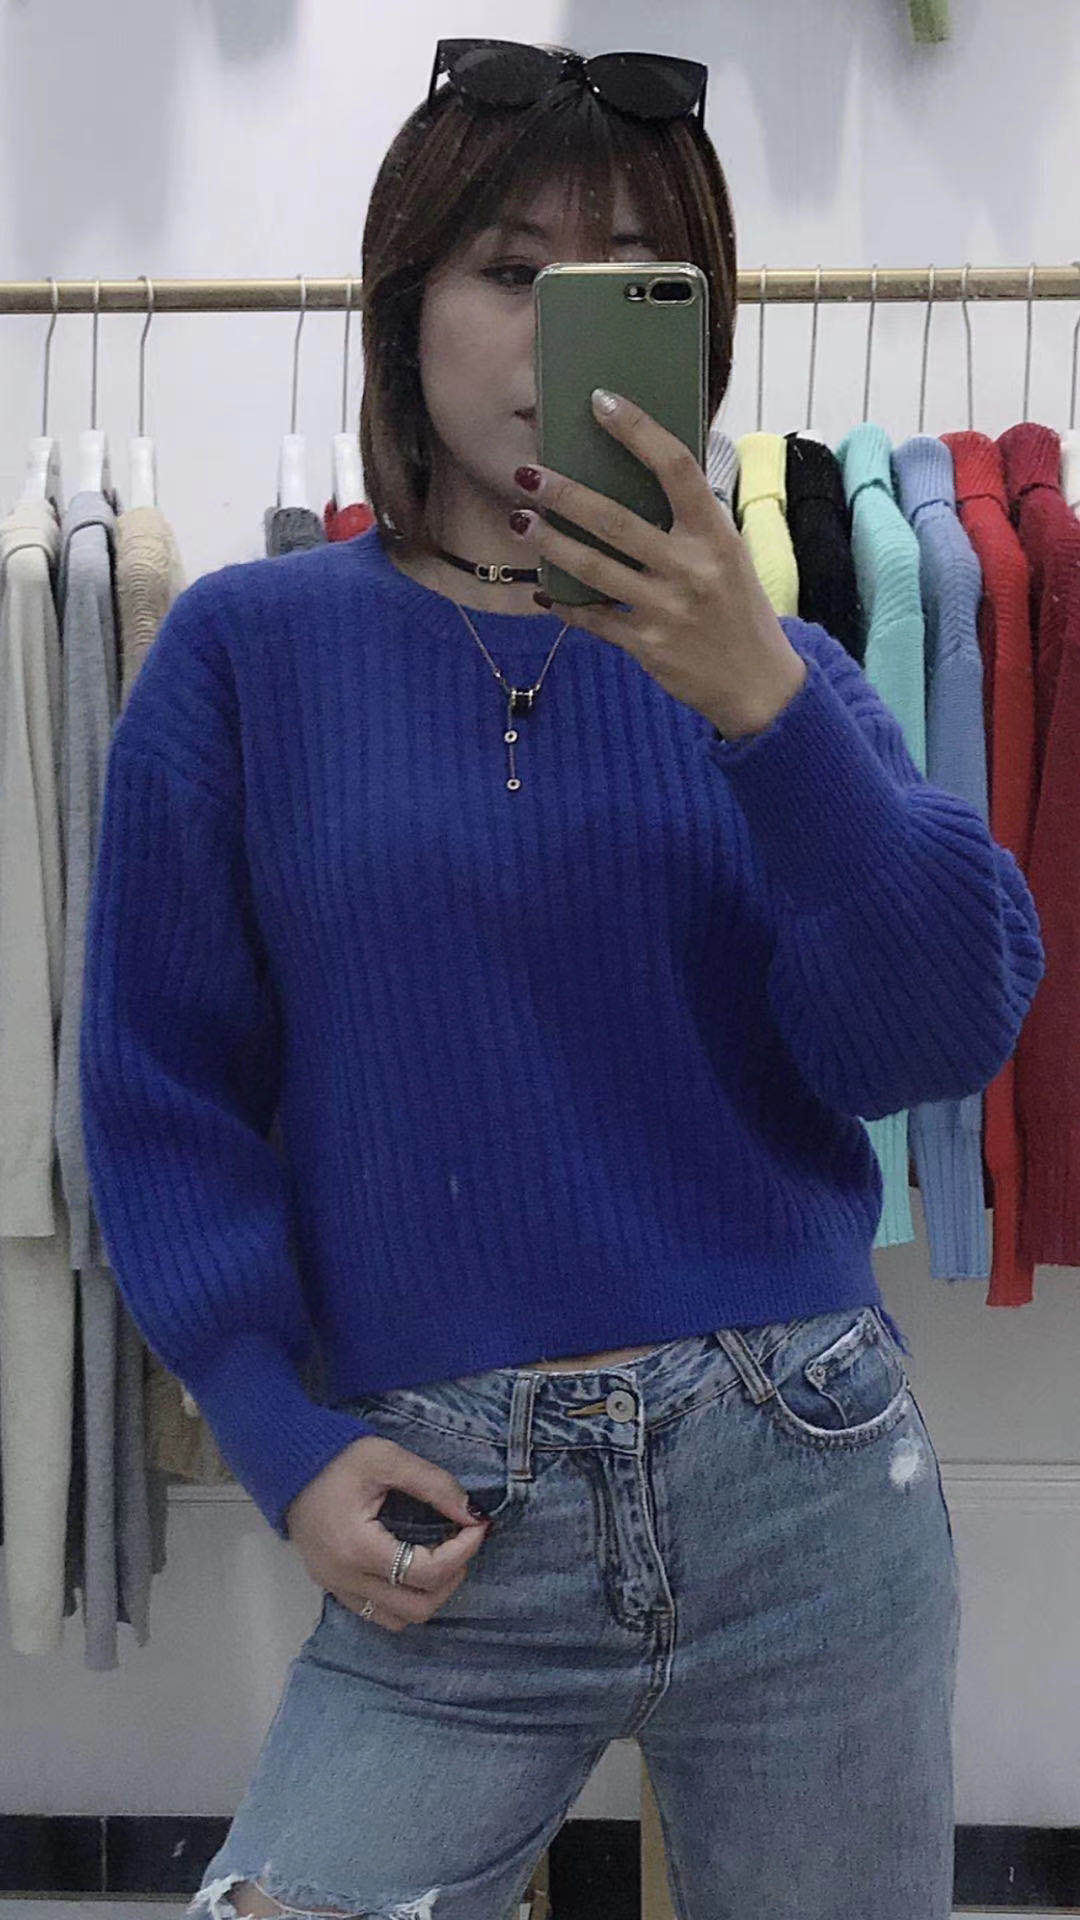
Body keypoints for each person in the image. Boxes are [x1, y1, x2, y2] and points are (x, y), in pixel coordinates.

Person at [81, 38, 1042, 1920]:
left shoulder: (766, 660)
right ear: (405, 302)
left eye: (623, 286)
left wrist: (768, 707)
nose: (550, 340)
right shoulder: (247, 656)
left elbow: (943, 1026)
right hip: (451, 1513)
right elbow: (159, 1090)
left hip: (805, 1480)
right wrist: (272, 1432)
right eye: (510, 271)